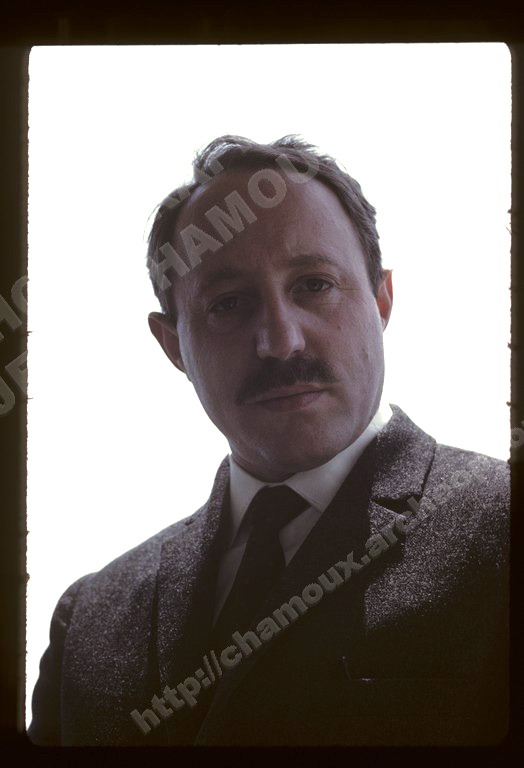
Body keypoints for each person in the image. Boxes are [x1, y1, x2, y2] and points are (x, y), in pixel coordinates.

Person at [28, 135, 509, 746]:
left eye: (314, 285)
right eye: (228, 303)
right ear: (173, 346)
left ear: (382, 299)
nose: (280, 341)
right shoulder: (89, 621)